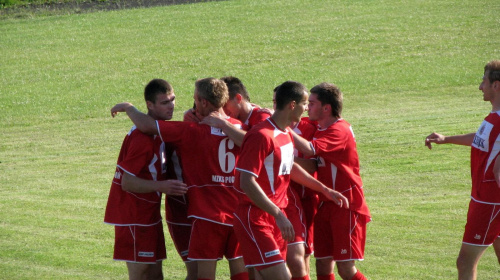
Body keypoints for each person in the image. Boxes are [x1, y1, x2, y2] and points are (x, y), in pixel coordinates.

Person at [111, 77, 249, 280]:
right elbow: (253, 143)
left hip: (206, 216)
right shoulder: (239, 127)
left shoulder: (191, 131)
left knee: (200, 274)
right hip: (236, 213)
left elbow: (148, 125)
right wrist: (225, 125)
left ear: (203, 102)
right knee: (240, 270)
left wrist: (129, 108)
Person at [232, 81, 349, 280]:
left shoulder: (285, 133)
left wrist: (324, 189)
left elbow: (289, 168)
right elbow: (246, 181)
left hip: (274, 216)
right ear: (292, 105)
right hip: (256, 217)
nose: (306, 109)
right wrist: (278, 214)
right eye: (305, 103)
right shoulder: (261, 135)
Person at [104, 79, 188, 280]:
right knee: (141, 274)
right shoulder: (142, 139)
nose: (171, 106)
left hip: (148, 216)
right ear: (150, 105)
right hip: (134, 216)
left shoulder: (156, 130)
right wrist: (162, 186)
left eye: (173, 100)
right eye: (165, 102)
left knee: (155, 274)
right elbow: (127, 182)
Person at [425, 60, 500, 280]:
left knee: (465, 262)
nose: (480, 87)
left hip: (489, 202)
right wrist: (446, 139)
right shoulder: (493, 118)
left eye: (484, 81)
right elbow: (480, 140)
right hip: (487, 200)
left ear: (496, 85)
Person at [291, 82, 371, 280]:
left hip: (346, 204)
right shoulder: (319, 128)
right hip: (327, 203)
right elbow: (311, 163)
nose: (308, 107)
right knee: (323, 263)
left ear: (326, 108)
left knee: (345, 268)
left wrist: (281, 128)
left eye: (312, 103)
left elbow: (310, 149)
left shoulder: (339, 130)